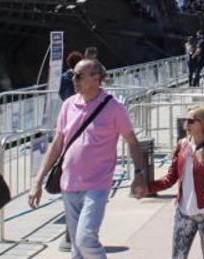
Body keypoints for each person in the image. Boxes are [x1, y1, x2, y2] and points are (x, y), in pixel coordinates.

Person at [29, 59, 149, 259]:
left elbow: (133, 142)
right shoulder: (68, 105)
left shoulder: (114, 108)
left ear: (95, 79)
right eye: (72, 75)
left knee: (85, 239)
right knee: (77, 249)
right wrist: (38, 180)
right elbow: (57, 145)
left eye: (78, 76)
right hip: (68, 184)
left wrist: (139, 174)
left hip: (97, 185)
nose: (72, 80)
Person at [147, 106, 204, 259]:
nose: (187, 124)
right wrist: (147, 188)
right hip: (184, 212)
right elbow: (170, 178)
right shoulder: (182, 145)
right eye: (186, 120)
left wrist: (203, 164)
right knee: (177, 256)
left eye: (191, 121)